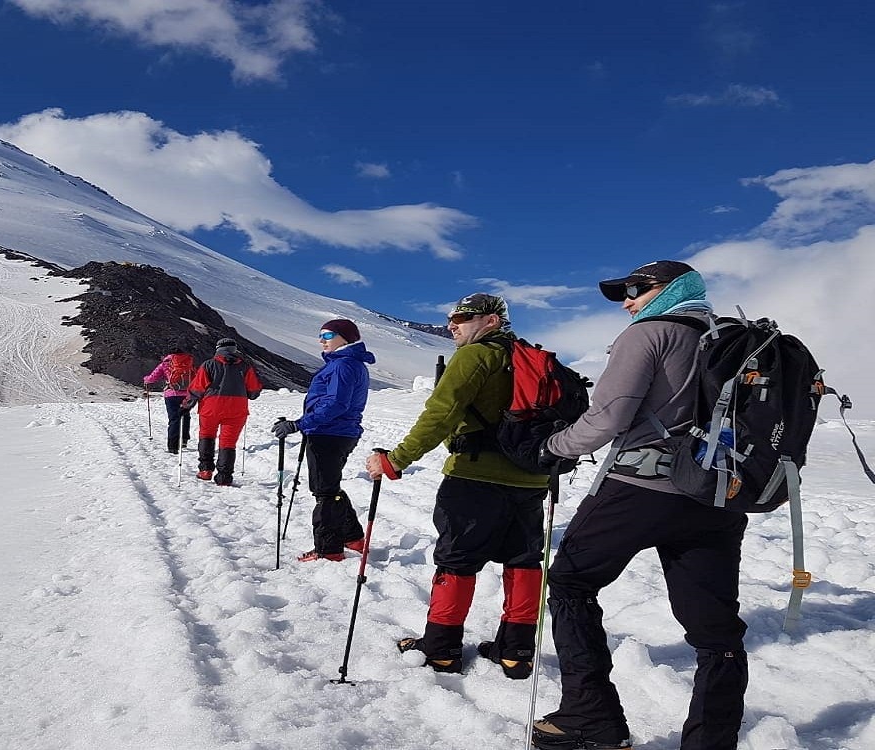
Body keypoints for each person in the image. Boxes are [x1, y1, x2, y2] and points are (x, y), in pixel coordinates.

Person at [531, 261, 747, 750]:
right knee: (716, 632)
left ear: (672, 288)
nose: (627, 300)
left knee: (570, 580)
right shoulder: (729, 340)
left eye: (636, 289)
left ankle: (591, 718)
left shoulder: (649, 333)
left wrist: (553, 447)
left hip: (640, 487)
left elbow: (609, 415)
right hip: (717, 496)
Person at [366, 293, 550, 679]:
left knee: (457, 561)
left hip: (474, 477)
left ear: (492, 322)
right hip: (531, 479)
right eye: (452, 317)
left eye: (464, 317)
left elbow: (441, 413)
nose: (453, 323)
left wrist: (396, 459)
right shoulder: (532, 358)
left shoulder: (475, 356)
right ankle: (515, 651)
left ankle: (442, 650)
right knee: (524, 561)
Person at [272, 319, 375, 562]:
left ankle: (328, 549)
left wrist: (299, 424)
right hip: (333, 432)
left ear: (344, 338)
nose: (321, 340)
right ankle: (353, 537)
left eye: (327, 335)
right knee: (329, 487)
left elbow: (336, 404)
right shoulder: (344, 363)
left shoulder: (344, 365)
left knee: (324, 492)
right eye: (321, 336)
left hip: (330, 433)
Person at [182, 337, 263, 486]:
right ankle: (224, 477)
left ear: (218, 349)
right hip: (237, 410)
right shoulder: (245, 366)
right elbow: (254, 392)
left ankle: (205, 470)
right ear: (234, 350)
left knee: (206, 436)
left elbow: (197, 388)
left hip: (210, 408)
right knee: (228, 442)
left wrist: (186, 405)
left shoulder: (209, 365)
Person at [143, 342, 194, 454]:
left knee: (174, 419)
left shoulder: (165, 364)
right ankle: (184, 440)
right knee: (185, 416)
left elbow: (152, 378)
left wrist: (146, 379)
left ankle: (173, 446)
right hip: (187, 394)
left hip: (171, 394)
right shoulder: (188, 362)